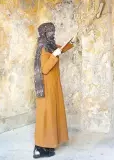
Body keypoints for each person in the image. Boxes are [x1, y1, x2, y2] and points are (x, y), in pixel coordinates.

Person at [33, 22, 75, 158]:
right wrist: (54, 55)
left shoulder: (50, 45)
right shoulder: (43, 47)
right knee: (45, 116)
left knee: (51, 114)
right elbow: (44, 69)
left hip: (53, 85)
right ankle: (39, 148)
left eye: (53, 31)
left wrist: (72, 41)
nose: (53, 33)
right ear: (45, 33)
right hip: (46, 87)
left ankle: (48, 145)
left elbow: (60, 48)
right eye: (51, 31)